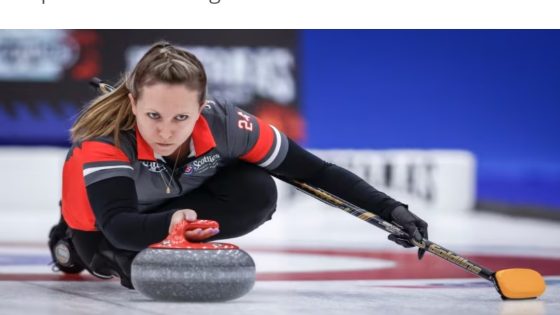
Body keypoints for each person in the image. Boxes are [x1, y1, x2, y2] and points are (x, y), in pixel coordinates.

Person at [48, 41, 429, 289]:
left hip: (172, 206)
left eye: (181, 118)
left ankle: (163, 239)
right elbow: (117, 226)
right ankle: (66, 240)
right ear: (132, 105)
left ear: (201, 109)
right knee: (113, 259)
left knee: (257, 190)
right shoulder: (105, 138)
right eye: (153, 115)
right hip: (101, 222)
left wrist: (391, 209)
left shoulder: (230, 124)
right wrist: (171, 225)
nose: (165, 132)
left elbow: (315, 172)